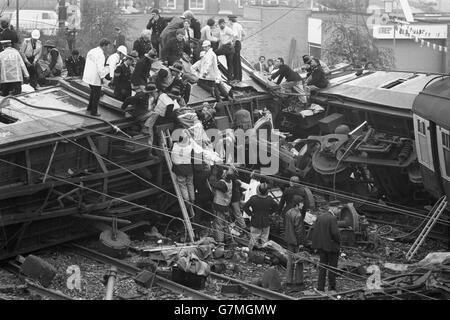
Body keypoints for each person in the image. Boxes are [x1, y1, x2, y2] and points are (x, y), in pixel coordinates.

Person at [311, 201, 341, 292]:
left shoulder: (320, 216)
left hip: (322, 247)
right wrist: (339, 241)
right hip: (331, 247)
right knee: (332, 268)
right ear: (332, 208)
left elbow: (315, 231)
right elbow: (335, 233)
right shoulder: (332, 218)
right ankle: (332, 288)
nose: (339, 210)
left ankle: (321, 287)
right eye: (338, 208)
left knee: (322, 267)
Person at [243, 182, 278, 250]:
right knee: (264, 239)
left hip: (255, 221)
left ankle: (250, 251)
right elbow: (276, 207)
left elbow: (245, 207)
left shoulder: (253, 198)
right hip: (266, 221)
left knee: (254, 238)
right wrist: (270, 213)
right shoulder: (269, 199)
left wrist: (250, 214)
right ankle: (264, 252)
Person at [83, 38, 111, 117]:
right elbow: (100, 69)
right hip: (95, 77)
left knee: (93, 92)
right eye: (108, 46)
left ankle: (89, 107)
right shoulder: (101, 55)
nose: (108, 48)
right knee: (97, 94)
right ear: (104, 46)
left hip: (88, 76)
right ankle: (94, 111)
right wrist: (106, 71)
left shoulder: (92, 51)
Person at [209, 166, 234, 243]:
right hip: (225, 206)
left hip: (219, 205)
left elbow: (213, 183)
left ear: (225, 175)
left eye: (225, 171)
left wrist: (211, 175)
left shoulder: (222, 184)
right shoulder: (230, 182)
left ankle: (220, 241)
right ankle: (227, 238)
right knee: (225, 223)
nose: (223, 172)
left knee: (219, 224)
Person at [171, 131, 196, 211]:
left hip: (179, 169)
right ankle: (192, 199)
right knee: (190, 184)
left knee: (183, 185)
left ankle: (187, 201)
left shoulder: (175, 146)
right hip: (188, 168)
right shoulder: (189, 146)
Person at [285, 195, 306, 288]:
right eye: (301, 203)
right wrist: (301, 243)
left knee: (289, 261)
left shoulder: (288, 212)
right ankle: (299, 281)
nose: (303, 204)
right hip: (297, 242)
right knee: (299, 261)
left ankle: (288, 281)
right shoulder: (298, 215)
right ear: (297, 204)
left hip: (289, 240)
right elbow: (299, 231)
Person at [230, 165, 247, 231]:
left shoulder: (233, 180)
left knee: (237, 213)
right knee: (236, 212)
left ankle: (243, 227)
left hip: (234, 198)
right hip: (235, 197)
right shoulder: (236, 180)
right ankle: (239, 226)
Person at [229, 15, 245, 82]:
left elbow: (235, 36)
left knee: (235, 61)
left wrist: (233, 44)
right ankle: (239, 77)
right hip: (239, 43)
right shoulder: (239, 25)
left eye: (229, 20)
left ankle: (236, 78)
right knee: (238, 61)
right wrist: (240, 40)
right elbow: (244, 34)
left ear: (230, 20)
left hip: (235, 44)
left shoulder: (234, 26)